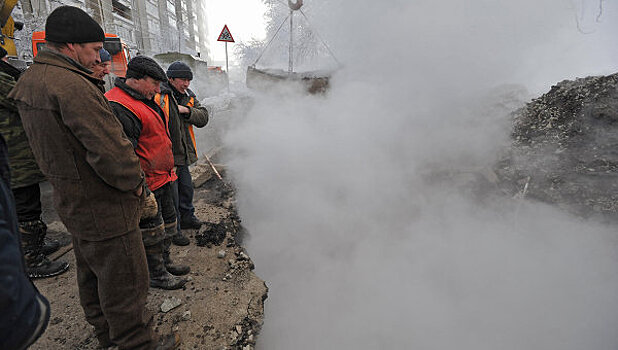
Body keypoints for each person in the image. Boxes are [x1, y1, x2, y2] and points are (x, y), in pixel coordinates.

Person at [8, 6, 177, 349]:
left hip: (72, 200)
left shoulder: (31, 81)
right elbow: (111, 153)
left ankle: (107, 337)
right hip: (106, 205)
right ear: (70, 46)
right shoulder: (73, 87)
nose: (98, 56)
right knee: (127, 281)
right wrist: (136, 188)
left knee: (91, 275)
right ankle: (138, 342)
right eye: (93, 48)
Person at [106, 56, 190, 290]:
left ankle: (165, 262)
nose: (157, 89)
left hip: (162, 176)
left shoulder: (143, 98)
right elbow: (124, 155)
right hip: (145, 182)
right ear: (136, 79)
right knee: (151, 230)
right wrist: (140, 187)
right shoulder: (119, 106)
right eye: (153, 83)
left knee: (167, 224)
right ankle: (156, 274)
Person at [0, 45, 69, 278]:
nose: (8, 58)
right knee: (25, 206)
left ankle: (33, 245)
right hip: (14, 157)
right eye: (4, 56)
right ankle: (31, 260)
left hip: (17, 154)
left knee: (26, 203)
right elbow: (25, 100)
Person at [0, 133, 50, 350]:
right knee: (26, 208)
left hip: (18, 159)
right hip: (13, 318)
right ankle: (33, 256)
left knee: (26, 207)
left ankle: (31, 249)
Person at [157, 61, 209, 239]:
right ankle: (174, 230)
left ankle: (187, 218)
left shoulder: (189, 96)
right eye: (183, 80)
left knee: (186, 190)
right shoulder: (160, 96)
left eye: (189, 80)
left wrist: (186, 110)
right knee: (172, 197)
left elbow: (203, 117)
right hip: (167, 156)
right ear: (170, 79)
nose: (186, 84)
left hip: (183, 155)